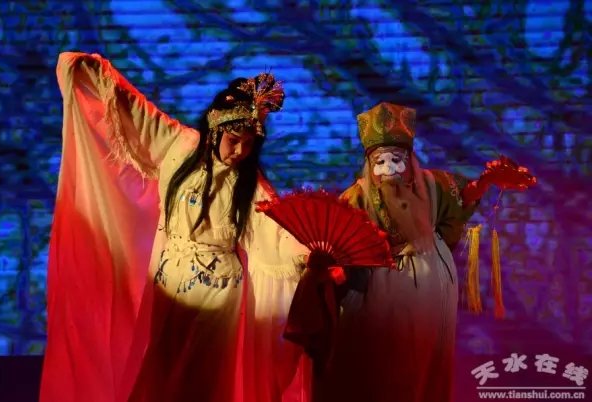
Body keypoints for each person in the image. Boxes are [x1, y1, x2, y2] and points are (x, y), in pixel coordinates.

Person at [40, 51, 312, 402]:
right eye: (234, 141)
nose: (240, 152)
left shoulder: (250, 185)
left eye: (248, 145)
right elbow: (135, 110)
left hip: (217, 293)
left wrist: (308, 256)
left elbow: (277, 231)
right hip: (169, 283)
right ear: (215, 130)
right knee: (161, 374)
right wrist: (94, 72)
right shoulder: (179, 145)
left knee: (199, 381)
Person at [321, 102, 493, 402]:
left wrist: (487, 182)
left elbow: (462, 201)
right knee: (384, 363)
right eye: (380, 161)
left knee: (425, 361)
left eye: (396, 160)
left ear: (410, 160)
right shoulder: (356, 196)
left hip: (429, 282)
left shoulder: (433, 185)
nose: (389, 169)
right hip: (381, 286)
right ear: (369, 164)